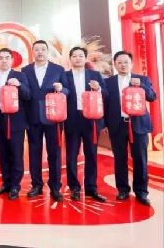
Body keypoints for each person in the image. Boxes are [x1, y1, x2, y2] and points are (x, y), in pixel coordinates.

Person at [104, 50, 157, 207]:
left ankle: (141, 192)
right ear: (115, 65)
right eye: (119, 62)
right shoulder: (108, 82)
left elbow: (152, 97)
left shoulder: (142, 79)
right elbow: (105, 104)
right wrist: (105, 124)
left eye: (126, 62)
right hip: (117, 125)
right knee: (119, 159)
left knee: (140, 159)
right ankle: (123, 190)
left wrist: (141, 86)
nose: (123, 65)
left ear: (131, 64)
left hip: (138, 125)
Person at [22, 40, 68, 202]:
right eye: (37, 49)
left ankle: (55, 186)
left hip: (53, 116)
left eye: (43, 49)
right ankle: (36, 185)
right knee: (34, 152)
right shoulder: (25, 70)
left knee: (54, 153)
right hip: (33, 116)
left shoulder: (58, 69)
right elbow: (25, 93)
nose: (40, 52)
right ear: (32, 52)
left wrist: (62, 89)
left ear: (47, 52)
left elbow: (67, 90)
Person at [64, 46, 107, 202]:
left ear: (85, 58)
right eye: (74, 56)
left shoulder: (94, 75)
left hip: (91, 119)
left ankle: (91, 188)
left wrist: (99, 88)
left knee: (91, 154)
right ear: (70, 59)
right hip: (72, 119)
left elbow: (106, 94)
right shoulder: (65, 75)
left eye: (80, 55)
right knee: (71, 155)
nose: (77, 58)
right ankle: (74, 187)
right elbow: (62, 94)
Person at [0, 48, 30, 200]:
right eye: (1, 58)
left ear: (12, 60)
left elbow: (28, 95)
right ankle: (6, 183)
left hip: (16, 122)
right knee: (2, 154)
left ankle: (15, 185)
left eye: (7, 58)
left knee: (16, 154)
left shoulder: (20, 76)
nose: (4, 60)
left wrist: (19, 85)